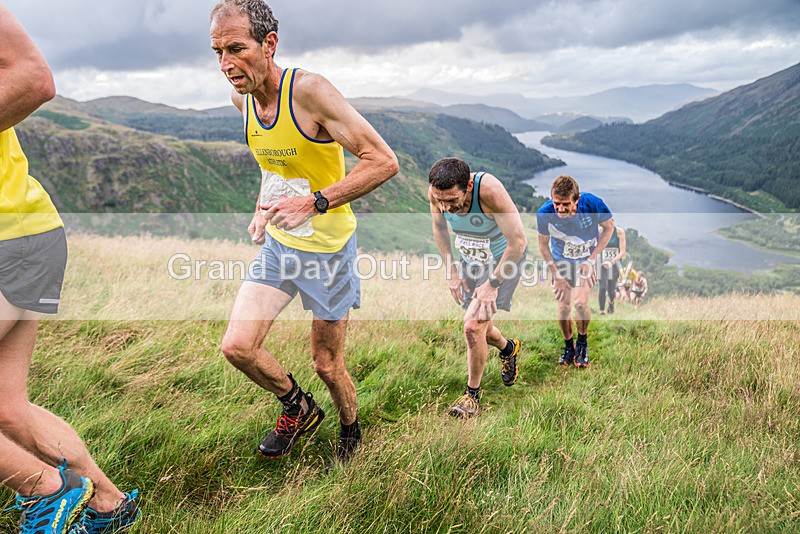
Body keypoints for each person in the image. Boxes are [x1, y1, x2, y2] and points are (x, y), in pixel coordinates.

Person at [211, 0, 398, 464]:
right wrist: (263, 206)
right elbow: (274, 163)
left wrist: (315, 203)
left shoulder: (310, 92)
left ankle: (351, 430)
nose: (226, 65)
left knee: (327, 364)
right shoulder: (243, 99)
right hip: (281, 246)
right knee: (237, 346)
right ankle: (298, 406)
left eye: (236, 48)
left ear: (269, 44)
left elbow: (383, 162)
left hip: (330, 251)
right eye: (217, 51)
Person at [0, 5, 139, 533]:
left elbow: (35, 79)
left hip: (11, 235)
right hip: (24, 232)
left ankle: (47, 493)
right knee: (9, 410)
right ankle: (108, 506)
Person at [429, 158, 527, 419]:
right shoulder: (437, 192)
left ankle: (471, 397)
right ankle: (508, 348)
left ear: (468, 185)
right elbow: (439, 228)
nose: (445, 206)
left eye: (451, 200)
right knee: (481, 327)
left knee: (472, 326)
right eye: (440, 200)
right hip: (471, 261)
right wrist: (452, 271)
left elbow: (518, 242)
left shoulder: (489, 191)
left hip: (504, 261)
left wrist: (492, 285)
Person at [536, 175, 615, 368]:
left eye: (565, 204)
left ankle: (582, 344)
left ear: (576, 200)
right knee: (563, 307)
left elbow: (609, 229)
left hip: (585, 261)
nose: (560, 208)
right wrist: (556, 275)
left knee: (580, 303)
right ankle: (568, 346)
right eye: (556, 204)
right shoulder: (544, 213)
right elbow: (543, 246)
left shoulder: (593, 204)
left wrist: (592, 259)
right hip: (561, 262)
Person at [597, 226, 626, 315]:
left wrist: (611, 261)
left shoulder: (619, 232)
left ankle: (611, 304)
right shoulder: (598, 231)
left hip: (614, 264)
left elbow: (622, 252)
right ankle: (601, 311)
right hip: (601, 263)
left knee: (611, 288)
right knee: (602, 287)